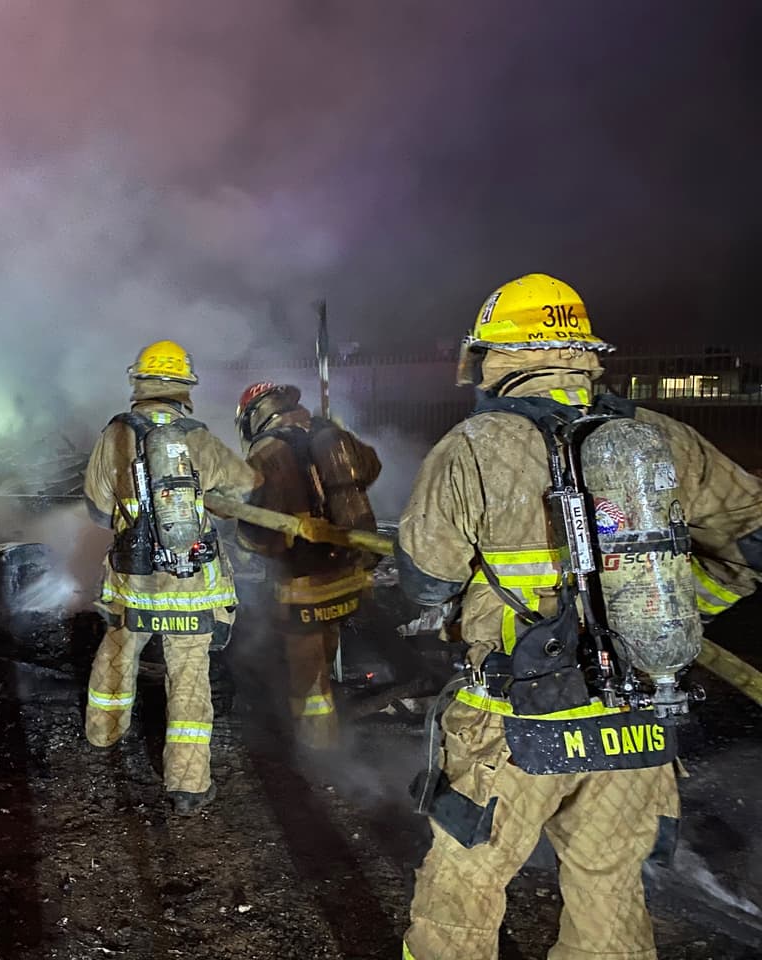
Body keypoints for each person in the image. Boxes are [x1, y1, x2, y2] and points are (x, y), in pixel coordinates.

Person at [397, 273, 762, 959]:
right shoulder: (662, 438)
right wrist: (673, 616)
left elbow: (425, 579)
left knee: (464, 891)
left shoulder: (474, 446)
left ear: (497, 356)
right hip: (636, 715)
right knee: (611, 891)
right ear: (581, 351)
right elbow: (753, 541)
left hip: (515, 721)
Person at [83, 340, 259, 815]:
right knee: (189, 677)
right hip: (190, 584)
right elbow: (246, 484)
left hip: (134, 581)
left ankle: (102, 736)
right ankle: (188, 784)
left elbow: (98, 509)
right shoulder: (197, 436)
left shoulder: (114, 435)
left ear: (138, 383)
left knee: (118, 651)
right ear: (185, 387)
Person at [234, 382, 380, 750]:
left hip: (303, 581)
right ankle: (328, 725)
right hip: (349, 571)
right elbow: (371, 468)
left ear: (255, 415)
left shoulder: (267, 452)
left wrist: (245, 544)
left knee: (308, 677)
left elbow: (257, 530)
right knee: (324, 659)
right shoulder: (331, 433)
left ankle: (319, 753)